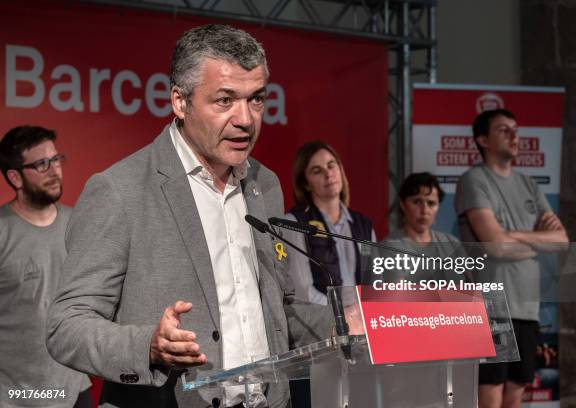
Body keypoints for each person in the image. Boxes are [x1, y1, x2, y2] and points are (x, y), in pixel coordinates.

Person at [45, 25, 350, 408]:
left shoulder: (264, 184)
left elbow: (276, 312)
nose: (246, 119)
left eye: (256, 100)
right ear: (180, 101)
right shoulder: (119, 190)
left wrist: (343, 323)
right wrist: (148, 347)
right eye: (225, 101)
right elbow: (66, 326)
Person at [454, 109, 568, 408]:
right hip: (493, 306)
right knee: (490, 397)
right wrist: (537, 242)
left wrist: (511, 236)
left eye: (516, 129)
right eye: (504, 130)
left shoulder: (529, 183)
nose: (515, 136)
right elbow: (496, 246)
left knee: (515, 396)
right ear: (483, 139)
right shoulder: (474, 179)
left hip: (528, 307)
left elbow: (562, 240)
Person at [0, 126, 91, 408]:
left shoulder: (78, 224)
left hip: (76, 390)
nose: (54, 170)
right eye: (41, 164)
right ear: (15, 177)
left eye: (56, 159)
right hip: (16, 397)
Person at [284, 141, 376, 306]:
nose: (328, 174)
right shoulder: (294, 223)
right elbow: (303, 293)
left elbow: (375, 283)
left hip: (362, 323)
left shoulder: (364, 224)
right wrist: (344, 316)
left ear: (340, 169)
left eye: (331, 165)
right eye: (317, 171)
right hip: (321, 325)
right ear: (305, 184)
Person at [382, 172, 464, 281]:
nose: (424, 211)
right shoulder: (388, 248)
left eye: (431, 203)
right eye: (416, 202)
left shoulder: (452, 244)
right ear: (402, 204)